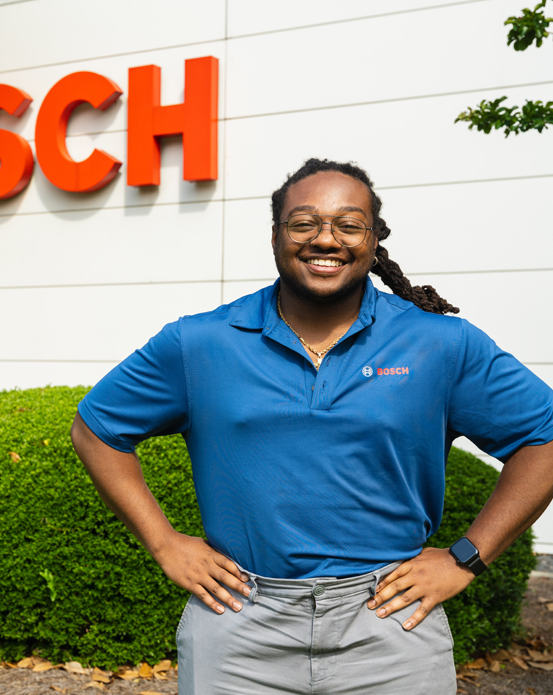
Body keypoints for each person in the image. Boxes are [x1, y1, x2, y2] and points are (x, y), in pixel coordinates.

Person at [70, 158, 553, 694]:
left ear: (374, 240)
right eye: (304, 223)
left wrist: (466, 557)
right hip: (238, 622)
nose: (326, 239)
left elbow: (544, 439)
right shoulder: (200, 343)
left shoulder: (440, 342)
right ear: (276, 235)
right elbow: (96, 429)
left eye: (349, 224)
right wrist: (163, 543)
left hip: (391, 622)